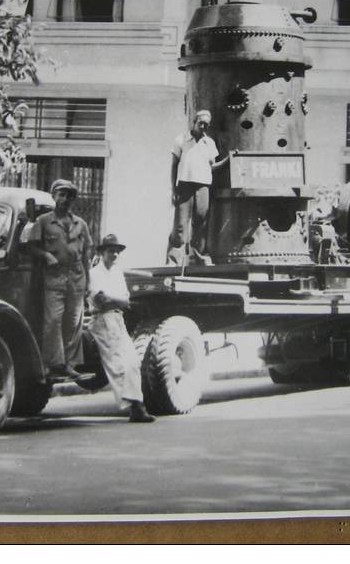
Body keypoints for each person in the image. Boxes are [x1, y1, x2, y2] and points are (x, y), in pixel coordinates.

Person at [27, 179, 92, 381]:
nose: (65, 199)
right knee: (53, 321)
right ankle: (52, 364)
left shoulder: (80, 224)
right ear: (54, 196)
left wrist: (88, 282)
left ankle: (70, 365)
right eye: (61, 195)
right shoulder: (44, 221)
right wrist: (47, 256)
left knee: (73, 323)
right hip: (54, 278)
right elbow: (31, 247)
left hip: (76, 277)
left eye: (69, 196)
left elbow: (86, 253)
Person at [88, 234, 156, 423]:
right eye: (111, 250)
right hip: (102, 322)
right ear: (102, 252)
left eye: (117, 251)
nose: (115, 254)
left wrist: (113, 299)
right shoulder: (94, 274)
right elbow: (100, 301)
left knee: (133, 361)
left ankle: (137, 407)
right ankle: (135, 407)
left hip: (118, 320)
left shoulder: (117, 273)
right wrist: (114, 300)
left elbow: (126, 302)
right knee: (117, 364)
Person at [167, 109, 230, 266]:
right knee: (180, 224)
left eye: (206, 125)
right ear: (194, 122)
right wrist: (174, 189)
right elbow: (174, 166)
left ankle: (198, 255)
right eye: (201, 123)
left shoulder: (209, 143)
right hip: (185, 185)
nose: (203, 127)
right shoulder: (181, 139)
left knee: (201, 222)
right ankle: (174, 258)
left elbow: (212, 166)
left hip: (203, 186)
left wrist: (229, 159)